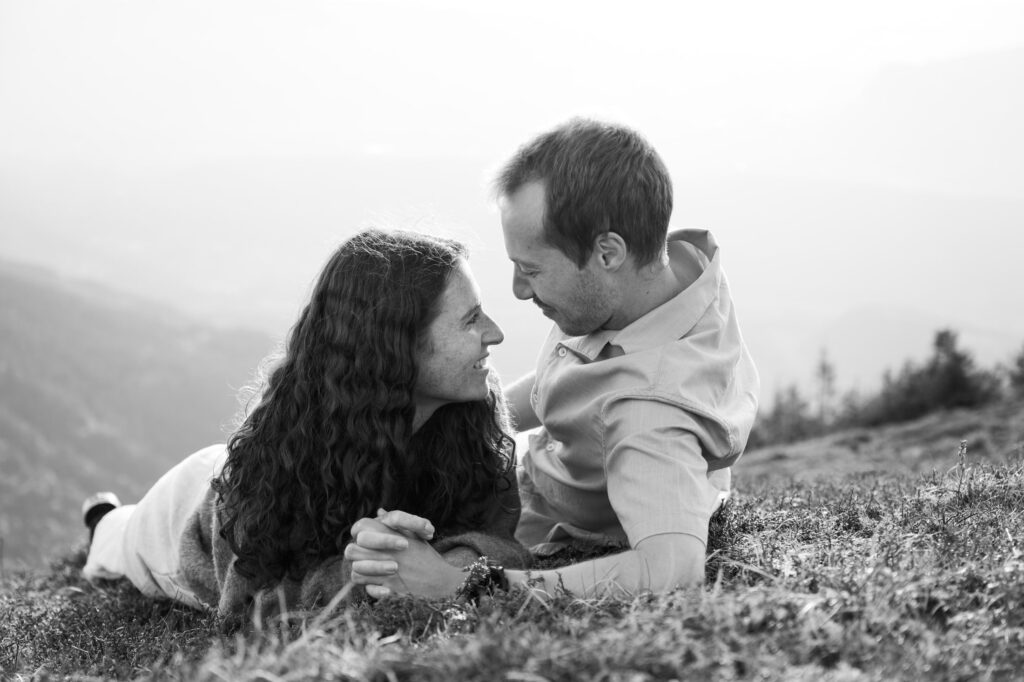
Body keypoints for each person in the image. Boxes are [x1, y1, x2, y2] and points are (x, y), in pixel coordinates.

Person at [345, 119, 760, 600]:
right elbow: (560, 388)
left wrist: (458, 584)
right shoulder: (658, 283)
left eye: (531, 269)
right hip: (500, 468)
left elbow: (671, 571)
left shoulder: (650, 415)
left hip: (516, 531)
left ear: (607, 252)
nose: (520, 291)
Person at [81, 228, 532, 622]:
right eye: (471, 320)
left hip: (224, 474)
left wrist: (439, 564)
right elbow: (252, 601)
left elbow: (503, 538)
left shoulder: (475, 411)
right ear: (398, 346)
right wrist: (359, 570)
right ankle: (103, 520)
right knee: (114, 542)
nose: (495, 333)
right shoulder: (283, 455)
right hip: (189, 514)